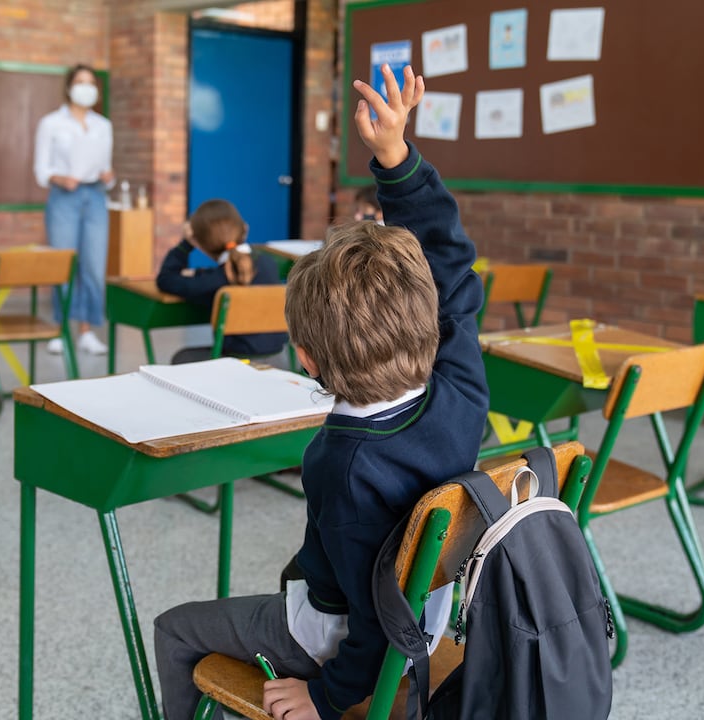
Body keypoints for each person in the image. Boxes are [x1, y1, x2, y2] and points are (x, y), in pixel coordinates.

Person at [153, 64, 488, 719]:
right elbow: (451, 270)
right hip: (434, 613)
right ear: (428, 317)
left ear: (304, 357)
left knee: (176, 629)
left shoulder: (343, 461)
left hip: (348, 641)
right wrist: (396, 157)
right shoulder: (461, 389)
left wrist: (326, 699)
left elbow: (373, 619)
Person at [33, 62, 114, 356]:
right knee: (63, 265)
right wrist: (61, 178)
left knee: (94, 266)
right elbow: (41, 170)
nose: (86, 88)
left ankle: (87, 331)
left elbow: (107, 169)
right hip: (64, 196)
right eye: (80, 82)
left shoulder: (103, 125)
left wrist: (109, 176)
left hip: (95, 196)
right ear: (69, 87)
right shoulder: (51, 123)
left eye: (91, 83)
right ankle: (60, 330)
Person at [155, 199, 287, 364]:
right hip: (278, 359)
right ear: (245, 229)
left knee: (181, 358)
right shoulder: (269, 263)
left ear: (199, 242)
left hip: (235, 363)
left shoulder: (213, 281)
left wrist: (186, 244)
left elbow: (166, 279)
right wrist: (203, 273)